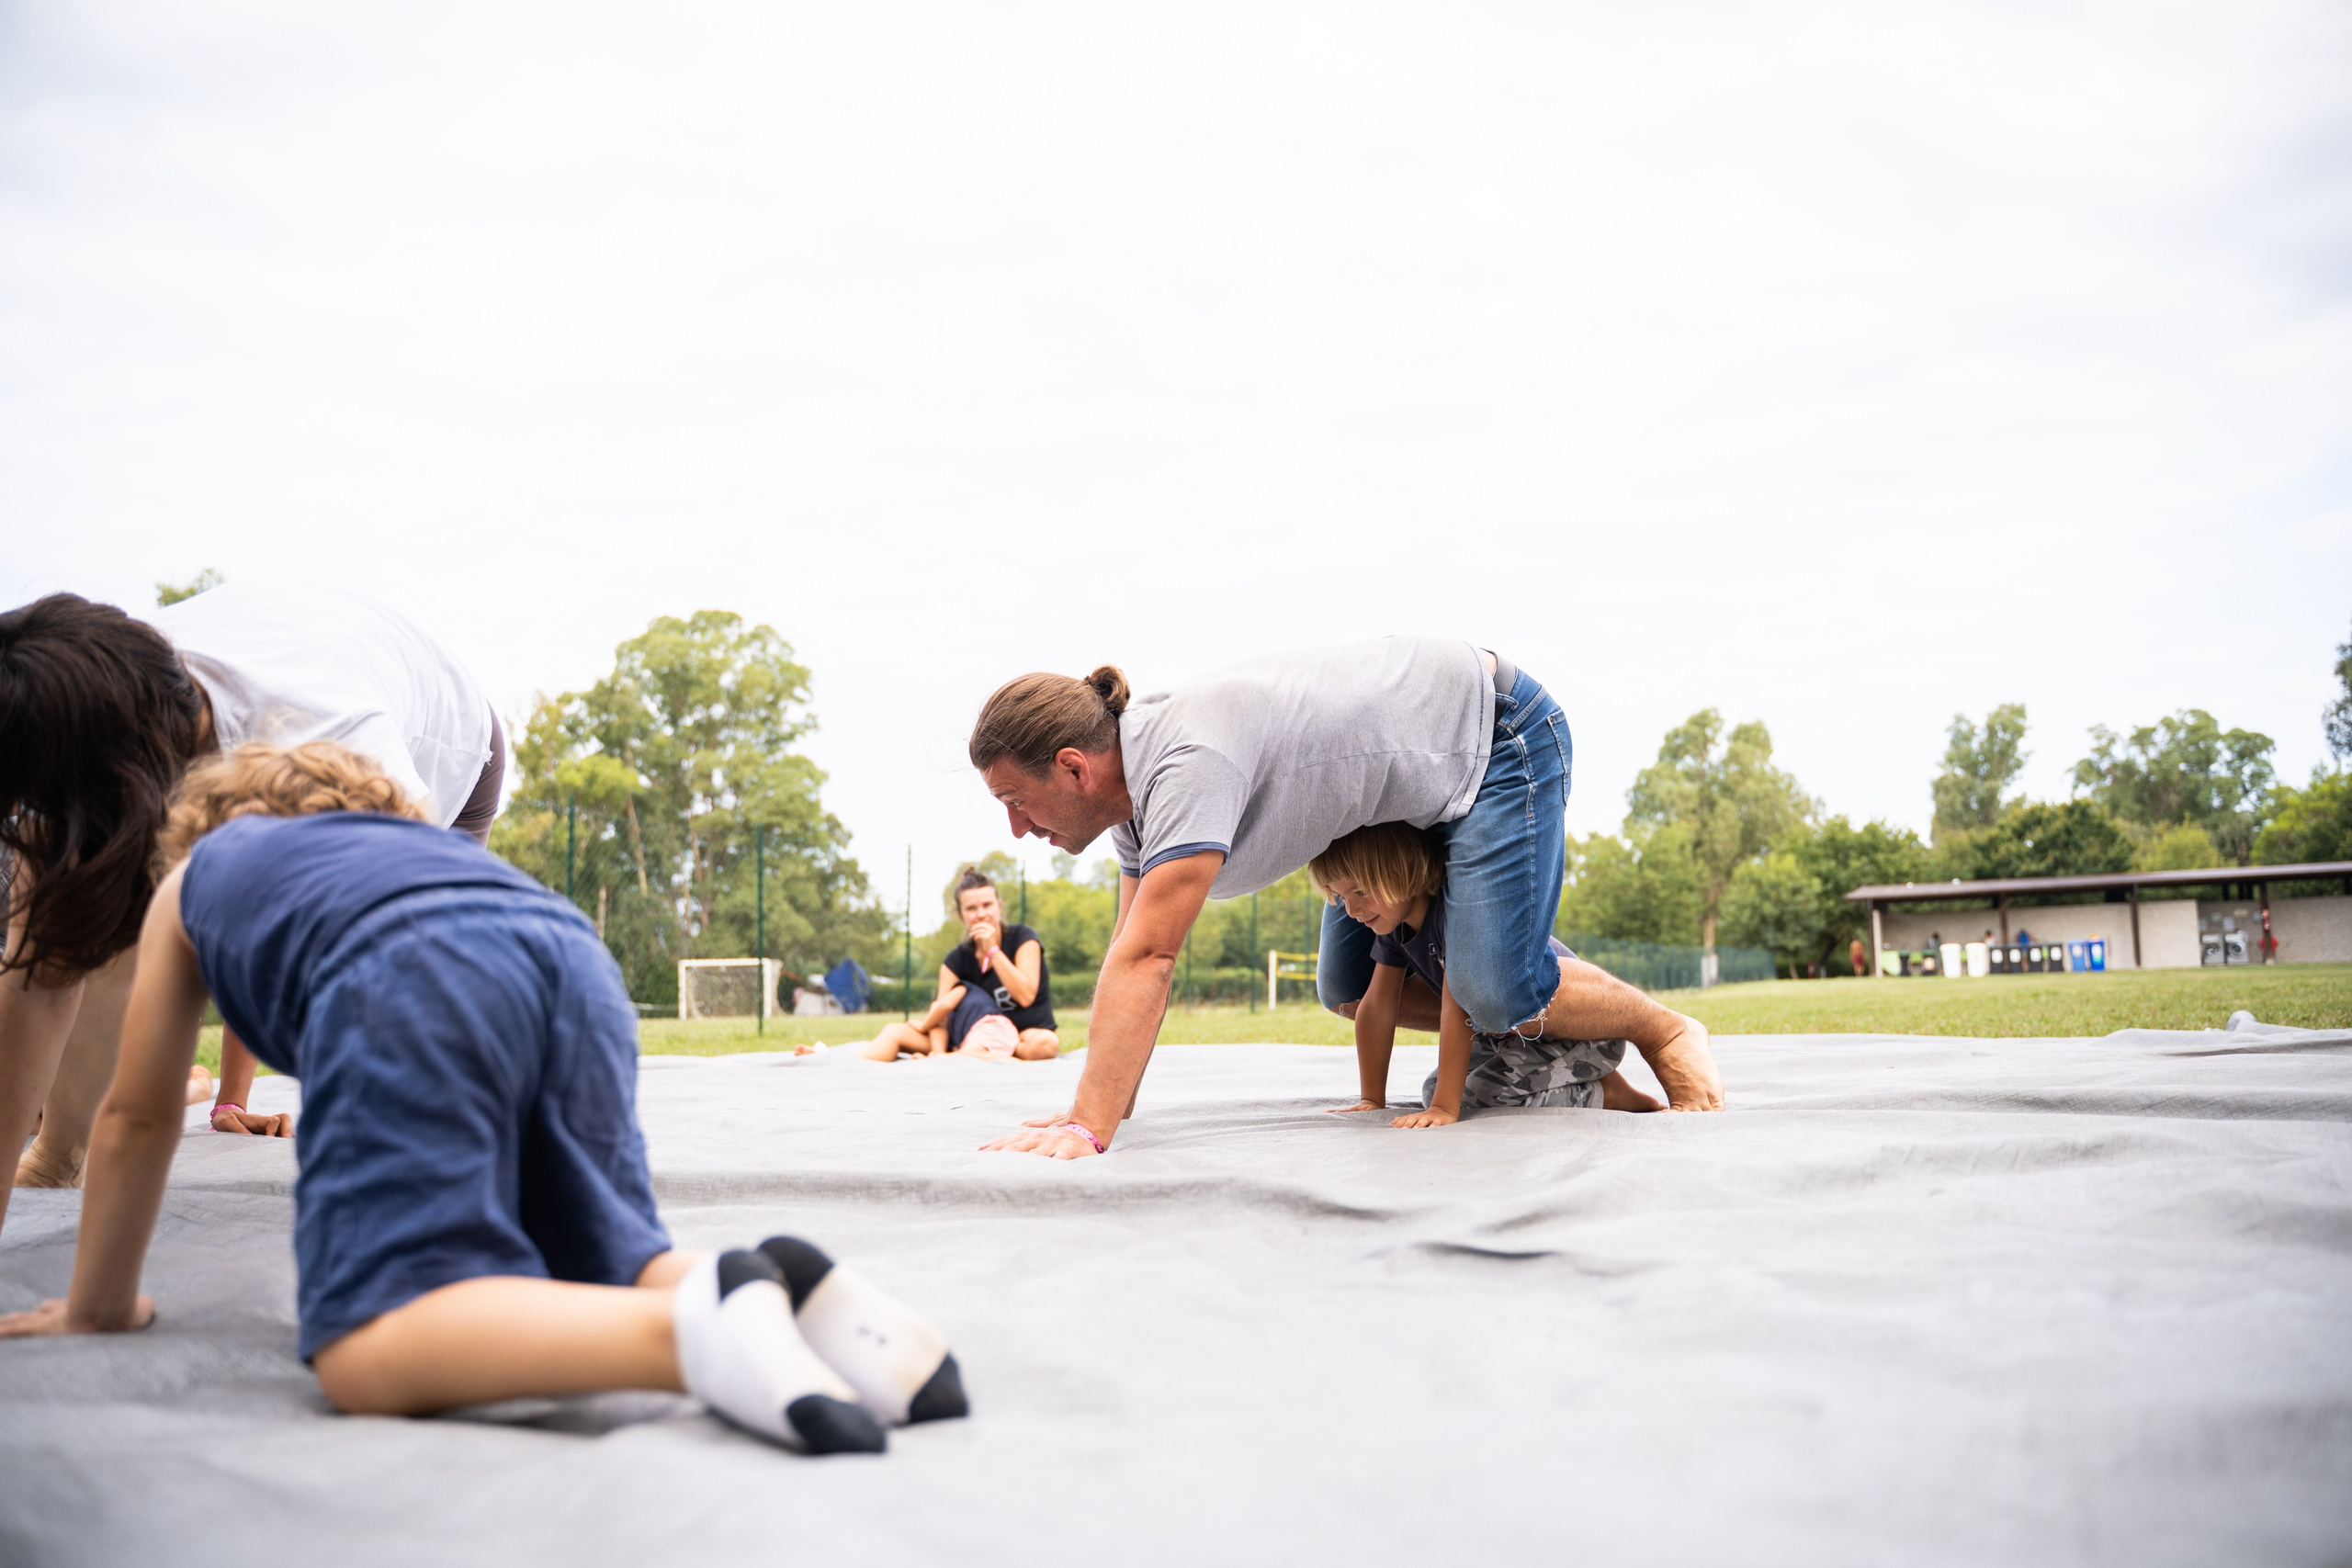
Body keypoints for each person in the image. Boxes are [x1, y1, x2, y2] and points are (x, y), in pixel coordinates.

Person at [0, 741, 968, 1454]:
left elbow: (139, 1110)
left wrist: (99, 1305)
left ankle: (696, 1330)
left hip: (405, 969)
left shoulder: (202, 871)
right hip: (564, 958)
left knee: (366, 1343)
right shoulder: (410, 848)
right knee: (605, 1256)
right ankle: (776, 1293)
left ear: (202, 829)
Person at [965, 641, 1724, 1160]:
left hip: (1499, 735)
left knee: (1492, 989)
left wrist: (1088, 1132)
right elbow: (1129, 951)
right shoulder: (1133, 802)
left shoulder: (1185, 761)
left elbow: (1152, 956)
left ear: (1072, 766)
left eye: (1015, 800)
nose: (1016, 827)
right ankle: (1542, 1019)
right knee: (1352, 989)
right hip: (1405, 791)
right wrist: (1102, 1107)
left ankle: (1663, 1028)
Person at [0, 583, 505, 1231]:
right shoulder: (77, 702)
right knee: (72, 919)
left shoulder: (335, 748)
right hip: (261, 693)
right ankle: (62, 1150)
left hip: (450, 739)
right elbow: (35, 983)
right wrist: (230, 1102)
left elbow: (393, 972)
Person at [1308, 822, 1674, 1123]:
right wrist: (1373, 1098)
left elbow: (1458, 1011)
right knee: (1432, 1088)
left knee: (1472, 1097)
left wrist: (1444, 1108)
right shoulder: (1395, 927)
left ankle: (1606, 1093)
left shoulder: (1457, 917)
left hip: (1584, 1034)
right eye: (1341, 898)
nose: (1352, 910)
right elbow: (1377, 1007)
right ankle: (1598, 1083)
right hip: (1518, 1039)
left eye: (1361, 891)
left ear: (1401, 870)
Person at [847, 867, 1058, 1063]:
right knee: (894, 1031)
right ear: (961, 914)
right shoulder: (955, 961)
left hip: (1022, 1036)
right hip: (966, 1038)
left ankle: (977, 1056)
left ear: (999, 907)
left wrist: (993, 951)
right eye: (972, 909)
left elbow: (1026, 995)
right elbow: (942, 1014)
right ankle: (850, 1067)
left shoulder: (1023, 939)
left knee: (1046, 1044)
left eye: (987, 905)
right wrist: (937, 1051)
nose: (981, 914)